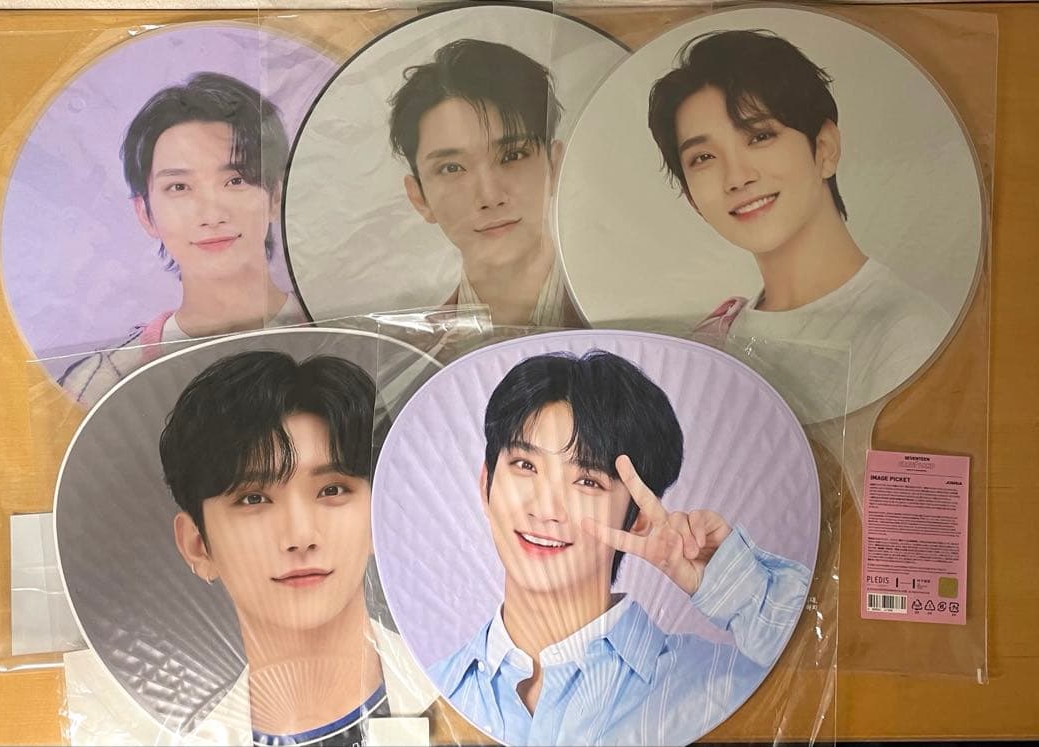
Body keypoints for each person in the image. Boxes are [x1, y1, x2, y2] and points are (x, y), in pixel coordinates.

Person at [429, 350, 812, 745]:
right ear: (486, 484)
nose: (545, 509)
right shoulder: (429, 689)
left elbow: (827, 675)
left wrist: (735, 586)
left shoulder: (714, 686)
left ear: (638, 516)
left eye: (587, 481)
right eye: (526, 465)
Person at [64, 351, 437, 746]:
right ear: (197, 545)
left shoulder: (457, 688)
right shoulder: (151, 733)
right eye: (254, 499)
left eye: (331, 490)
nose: (300, 536)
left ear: (381, 514)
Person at [647, 30, 952, 410]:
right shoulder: (711, 341)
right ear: (691, 197)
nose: (737, 177)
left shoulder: (906, 331)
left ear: (824, 148)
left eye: (759, 136)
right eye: (703, 158)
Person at [58, 73, 307, 407]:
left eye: (235, 180)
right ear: (145, 214)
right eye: (179, 187)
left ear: (275, 196)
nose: (211, 214)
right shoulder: (97, 386)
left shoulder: (348, 335)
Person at [389, 39, 580, 328]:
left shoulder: (631, 312)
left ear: (555, 166)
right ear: (419, 197)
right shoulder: (410, 349)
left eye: (513, 155)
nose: (490, 197)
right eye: (451, 168)